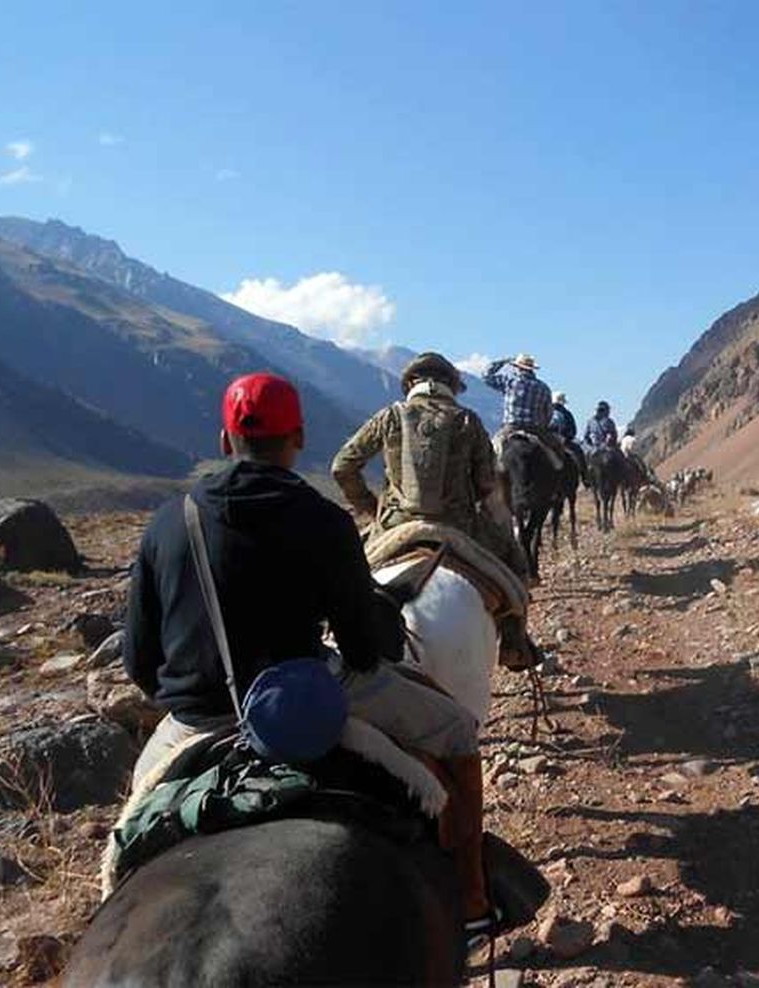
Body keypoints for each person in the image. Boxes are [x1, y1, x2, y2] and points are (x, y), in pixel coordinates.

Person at [124, 371, 493, 932]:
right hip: (303, 701)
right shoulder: (322, 519)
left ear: (225, 441)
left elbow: (138, 660)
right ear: (297, 438)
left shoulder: (168, 522)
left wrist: (197, 694)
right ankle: (471, 898)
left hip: (195, 719)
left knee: (130, 821)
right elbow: (363, 650)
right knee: (457, 732)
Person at [331, 351, 540, 671]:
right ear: (451, 385)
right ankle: (513, 643)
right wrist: (499, 523)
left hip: (394, 526)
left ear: (411, 383)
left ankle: (332, 641)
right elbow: (487, 486)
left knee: (341, 574)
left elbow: (342, 466)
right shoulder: (467, 420)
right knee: (515, 564)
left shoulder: (390, 415)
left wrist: (371, 508)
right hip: (459, 528)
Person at [481, 354, 564, 470]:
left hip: (511, 428)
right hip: (536, 429)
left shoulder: (509, 382)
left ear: (517, 368)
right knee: (559, 453)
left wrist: (503, 361)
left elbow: (485, 376)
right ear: (532, 370)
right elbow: (548, 413)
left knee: (489, 453)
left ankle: (486, 481)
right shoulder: (544, 387)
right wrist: (543, 425)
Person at [550, 391, 585, 479]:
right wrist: (567, 437)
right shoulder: (567, 414)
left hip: (547, 438)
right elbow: (573, 430)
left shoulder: (545, 411)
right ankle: (585, 477)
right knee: (579, 453)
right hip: (564, 440)